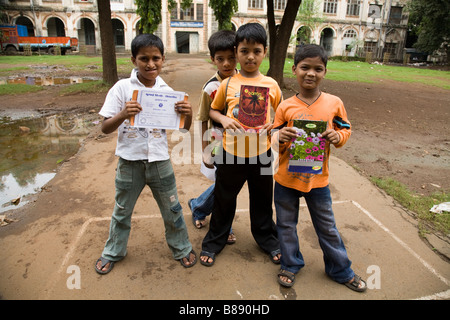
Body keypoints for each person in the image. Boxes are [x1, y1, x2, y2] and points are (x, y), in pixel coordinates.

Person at [94, 34, 197, 275]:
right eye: (144, 59)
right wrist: (123, 114)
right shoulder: (122, 88)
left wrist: (188, 112)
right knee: (122, 211)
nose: (150, 64)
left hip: (160, 162)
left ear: (163, 60)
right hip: (129, 164)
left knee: (173, 209)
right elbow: (105, 127)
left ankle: (181, 248)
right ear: (133, 60)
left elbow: (183, 127)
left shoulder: (167, 91)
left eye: (156, 58)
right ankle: (113, 251)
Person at [272, 44, 366, 292]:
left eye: (318, 68)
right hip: (285, 180)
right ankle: (290, 264)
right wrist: (279, 135)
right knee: (285, 225)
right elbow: (270, 134)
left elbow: (345, 128)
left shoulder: (334, 103)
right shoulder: (285, 106)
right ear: (294, 69)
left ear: (325, 72)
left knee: (326, 227)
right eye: (305, 67)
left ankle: (340, 269)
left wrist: (338, 137)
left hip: (318, 181)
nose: (310, 73)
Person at [200, 23, 282, 267]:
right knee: (224, 200)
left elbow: (281, 116)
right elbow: (214, 111)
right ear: (237, 52)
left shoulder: (272, 85)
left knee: (262, 200)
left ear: (264, 52)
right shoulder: (228, 84)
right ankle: (214, 241)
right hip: (230, 154)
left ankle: (268, 239)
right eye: (244, 51)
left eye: (256, 51)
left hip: (262, 154)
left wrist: (274, 126)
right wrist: (224, 119)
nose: (250, 57)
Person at [188, 29, 237, 245]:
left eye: (231, 57)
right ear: (212, 59)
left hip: (243, 144)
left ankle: (198, 206)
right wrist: (205, 150)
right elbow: (201, 119)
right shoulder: (211, 87)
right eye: (220, 59)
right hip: (218, 143)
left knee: (228, 185)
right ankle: (224, 226)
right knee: (226, 186)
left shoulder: (246, 81)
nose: (226, 63)